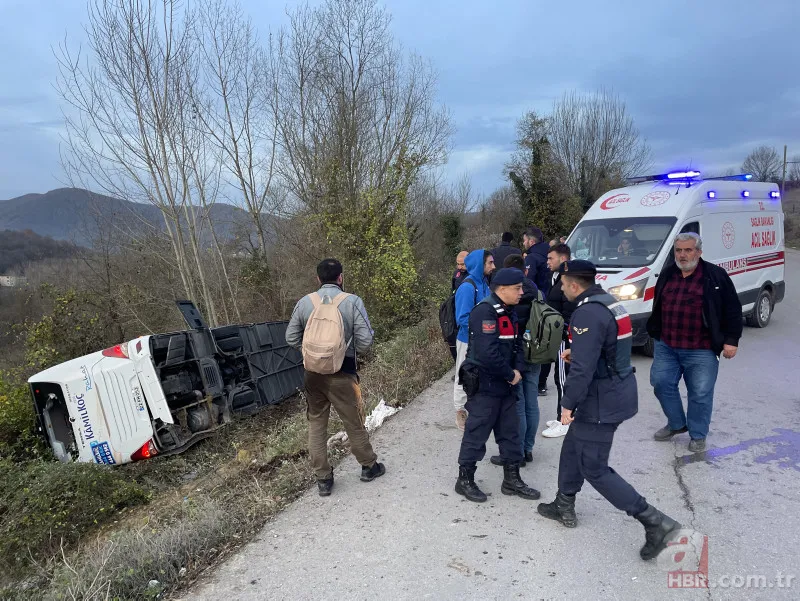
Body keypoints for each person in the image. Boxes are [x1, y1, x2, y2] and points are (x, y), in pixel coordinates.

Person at [537, 259, 681, 562]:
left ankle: (654, 521)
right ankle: (564, 502)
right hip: (616, 389)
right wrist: (580, 350)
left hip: (601, 400)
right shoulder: (609, 302)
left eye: (562, 284)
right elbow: (609, 345)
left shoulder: (586, 312)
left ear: (573, 284)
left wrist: (567, 404)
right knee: (573, 446)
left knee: (594, 467)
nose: (561, 289)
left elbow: (582, 370)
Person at [285, 258, 385, 496]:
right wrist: (343, 352)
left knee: (316, 424)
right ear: (341, 278)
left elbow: (290, 338)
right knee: (353, 421)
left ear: (318, 279)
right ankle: (368, 467)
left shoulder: (305, 302)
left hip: (312, 376)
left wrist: (313, 355)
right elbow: (365, 341)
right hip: (343, 373)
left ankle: (323, 479)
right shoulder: (352, 301)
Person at [646, 233, 742, 452]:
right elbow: (658, 304)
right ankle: (677, 423)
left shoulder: (715, 276)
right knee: (660, 383)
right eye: (679, 250)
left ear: (699, 252)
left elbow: (732, 309)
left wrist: (731, 340)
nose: (682, 255)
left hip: (702, 348)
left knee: (700, 393)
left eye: (688, 250)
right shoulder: (668, 273)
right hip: (667, 345)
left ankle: (698, 435)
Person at [455, 268, 541, 503]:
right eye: (517, 288)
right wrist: (510, 374)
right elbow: (487, 353)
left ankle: (512, 480)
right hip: (486, 385)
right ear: (502, 289)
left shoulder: (509, 310)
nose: (521, 293)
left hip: (506, 386)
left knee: (511, 433)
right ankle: (464, 480)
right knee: (476, 433)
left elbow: (518, 345)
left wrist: (518, 370)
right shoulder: (485, 311)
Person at [489, 254, 541, 467]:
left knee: (517, 404)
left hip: (515, 353)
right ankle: (528, 449)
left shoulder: (509, 297)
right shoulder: (536, 290)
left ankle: (516, 452)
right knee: (532, 402)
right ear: (525, 270)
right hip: (536, 352)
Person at [453, 249, 494, 430]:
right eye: (490, 263)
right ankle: (460, 411)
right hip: (467, 340)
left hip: (481, 339)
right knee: (463, 374)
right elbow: (462, 318)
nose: (493, 266)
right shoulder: (467, 287)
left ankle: (477, 409)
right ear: (479, 264)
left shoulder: (484, 283)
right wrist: (484, 328)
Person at [541, 243, 576, 438]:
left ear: (563, 259)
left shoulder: (568, 281)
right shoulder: (557, 277)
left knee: (564, 380)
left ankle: (565, 421)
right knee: (560, 378)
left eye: (550, 258)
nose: (547, 262)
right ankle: (561, 416)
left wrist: (565, 335)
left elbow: (569, 312)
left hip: (564, 339)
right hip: (558, 336)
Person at [447, 251, 470, 362]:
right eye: (458, 264)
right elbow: (452, 290)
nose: (460, 267)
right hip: (456, 309)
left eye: (462, 264)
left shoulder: (474, 274)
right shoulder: (456, 274)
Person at [523, 227, 552, 294]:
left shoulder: (531, 258)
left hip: (538, 296)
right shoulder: (550, 254)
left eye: (524, 240)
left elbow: (528, 282)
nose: (523, 243)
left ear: (531, 242)